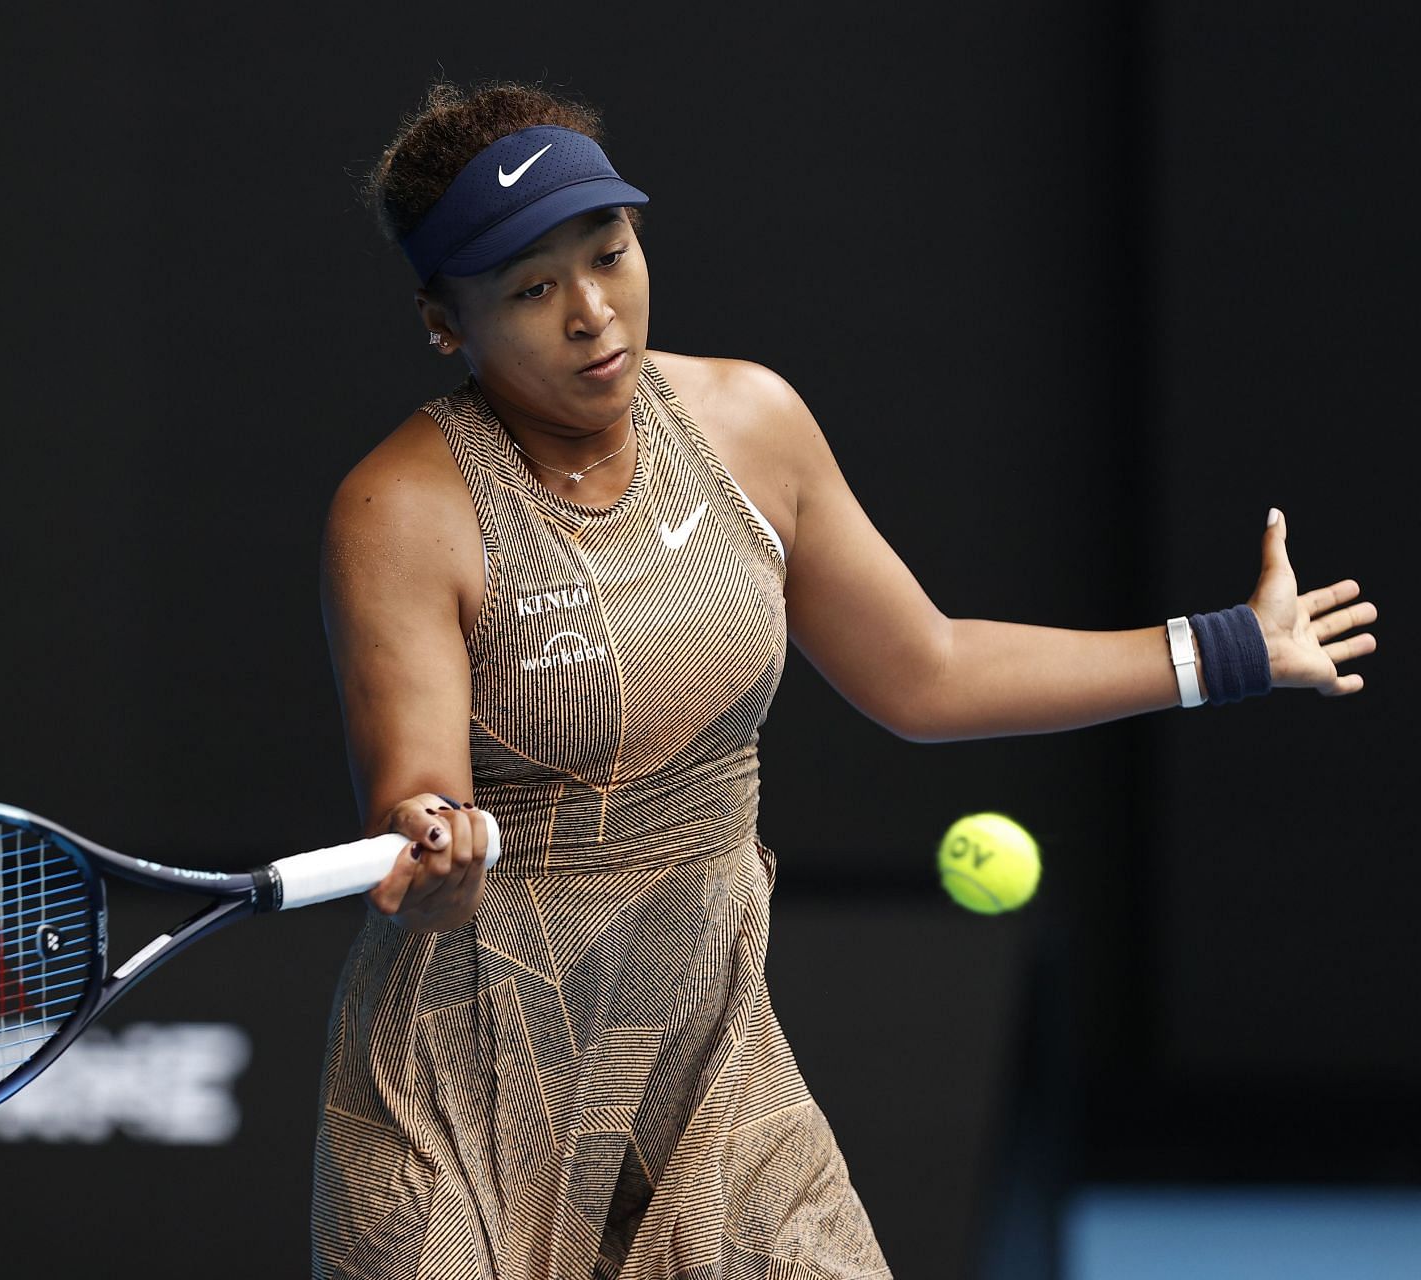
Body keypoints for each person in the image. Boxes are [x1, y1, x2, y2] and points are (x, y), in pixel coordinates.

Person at [310, 82, 1375, 1280]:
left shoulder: (750, 423)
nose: (594, 313)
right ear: (446, 323)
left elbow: (926, 669)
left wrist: (1227, 648)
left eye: (609, 254)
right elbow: (419, 794)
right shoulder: (402, 508)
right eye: (529, 289)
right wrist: (434, 854)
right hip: (472, 1069)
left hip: (705, 1053)